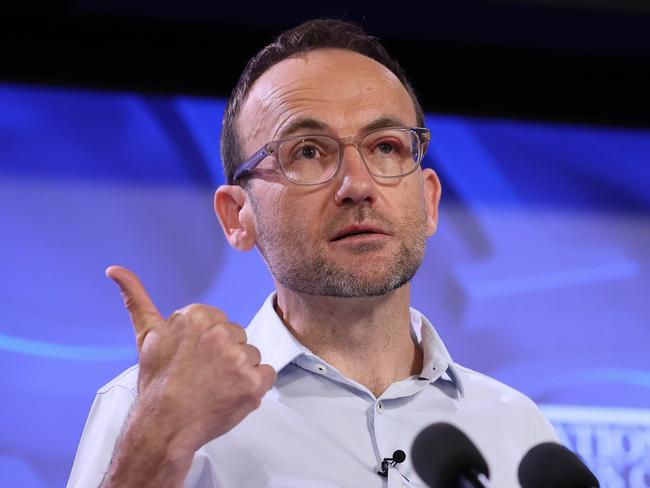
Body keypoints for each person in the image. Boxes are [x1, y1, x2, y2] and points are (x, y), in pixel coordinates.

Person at [68, 19, 557, 488]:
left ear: (428, 200)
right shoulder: (153, 409)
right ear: (237, 216)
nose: (358, 185)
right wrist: (160, 439)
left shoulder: (515, 427)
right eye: (307, 151)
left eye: (386, 147)